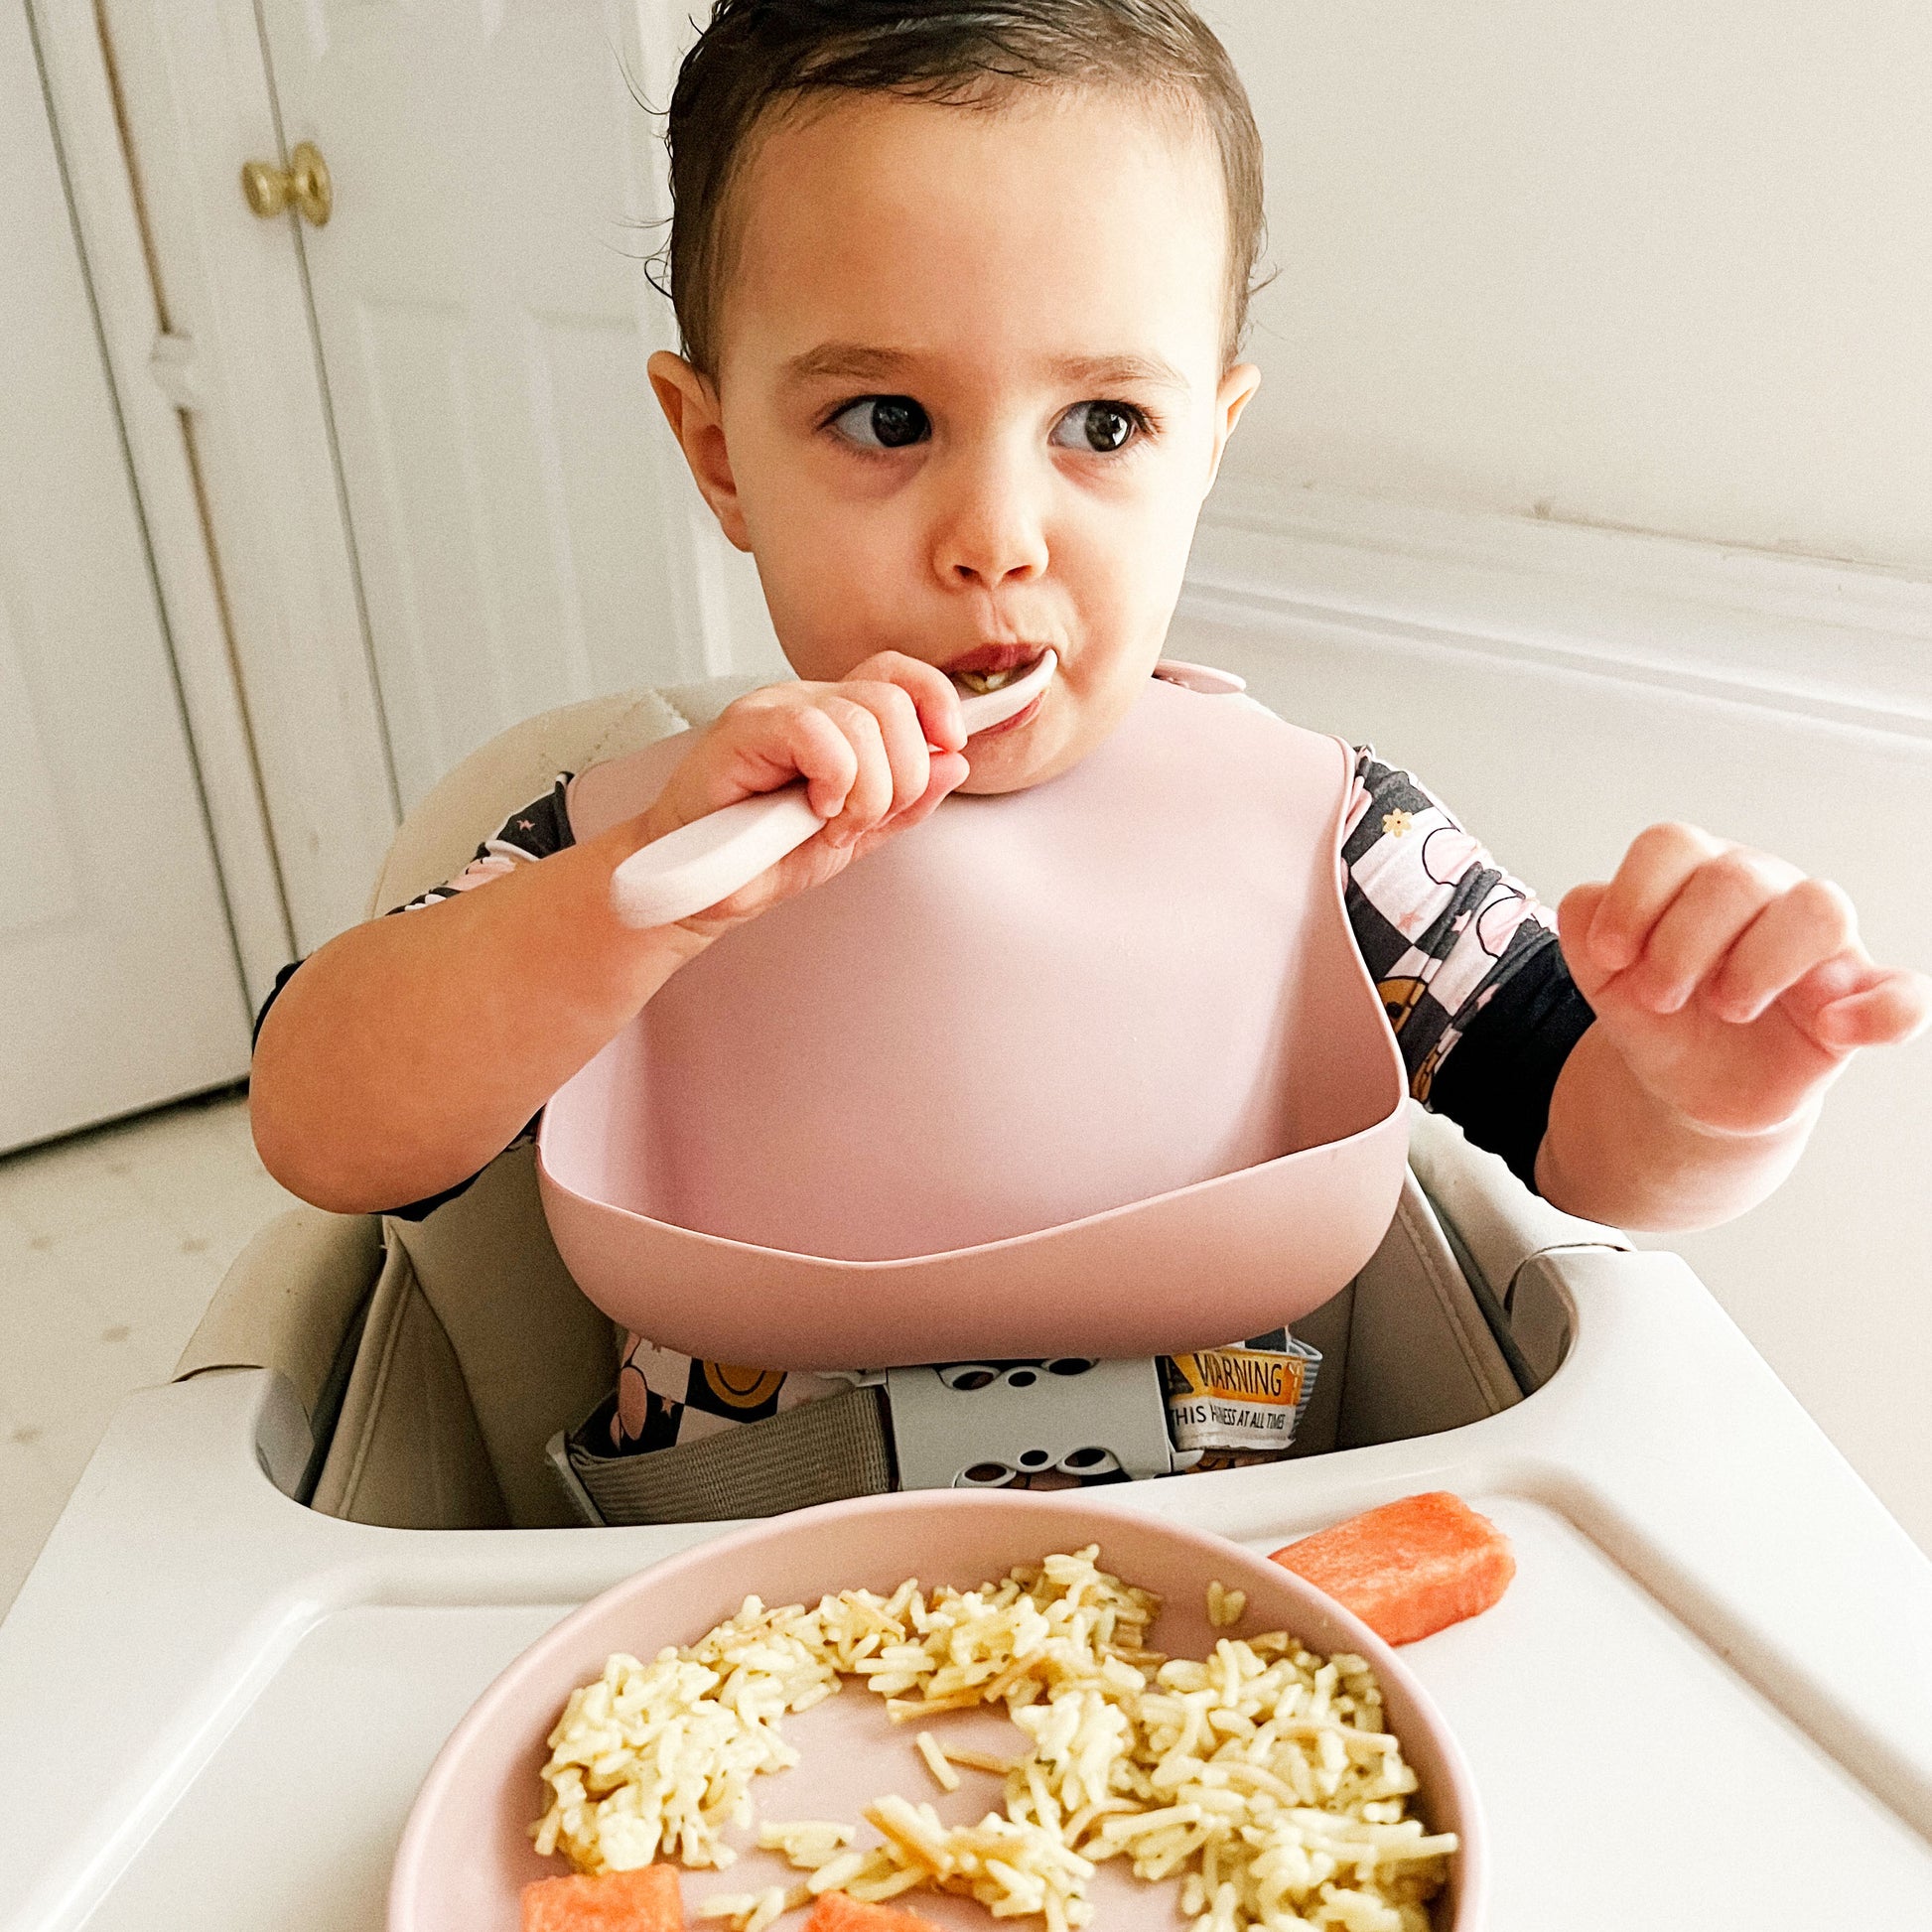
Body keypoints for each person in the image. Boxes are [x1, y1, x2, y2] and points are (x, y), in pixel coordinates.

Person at [249, 0, 1928, 1471]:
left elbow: (1584, 1136)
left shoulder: (1329, 839)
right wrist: (629, 910)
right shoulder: (632, 847)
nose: (996, 531)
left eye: (1102, 423)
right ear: (717, 455)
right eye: (883, 419)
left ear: (1207, 439)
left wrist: (1705, 1104)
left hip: (1235, 1697)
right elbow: (322, 1122)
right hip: (723, 1674)